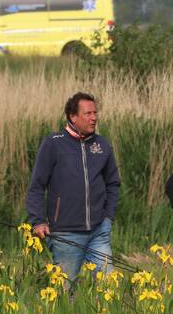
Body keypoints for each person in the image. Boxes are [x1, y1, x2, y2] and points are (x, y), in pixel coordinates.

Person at [26, 92, 121, 286]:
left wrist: (108, 217)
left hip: (99, 231)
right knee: (63, 290)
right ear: (73, 116)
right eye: (88, 113)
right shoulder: (53, 143)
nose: (94, 118)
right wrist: (38, 221)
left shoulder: (102, 145)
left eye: (95, 113)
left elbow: (113, 183)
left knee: (109, 287)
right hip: (65, 233)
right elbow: (36, 186)